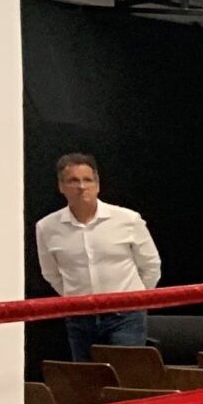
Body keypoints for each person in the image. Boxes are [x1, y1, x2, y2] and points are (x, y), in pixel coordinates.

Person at [34, 153, 161, 362]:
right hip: (79, 317)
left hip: (125, 315)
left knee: (125, 374)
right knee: (86, 377)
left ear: (97, 185)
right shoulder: (46, 227)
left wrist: (136, 299)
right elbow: (51, 273)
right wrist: (75, 298)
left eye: (87, 180)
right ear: (61, 186)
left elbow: (150, 265)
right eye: (73, 181)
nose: (81, 187)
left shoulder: (128, 219)